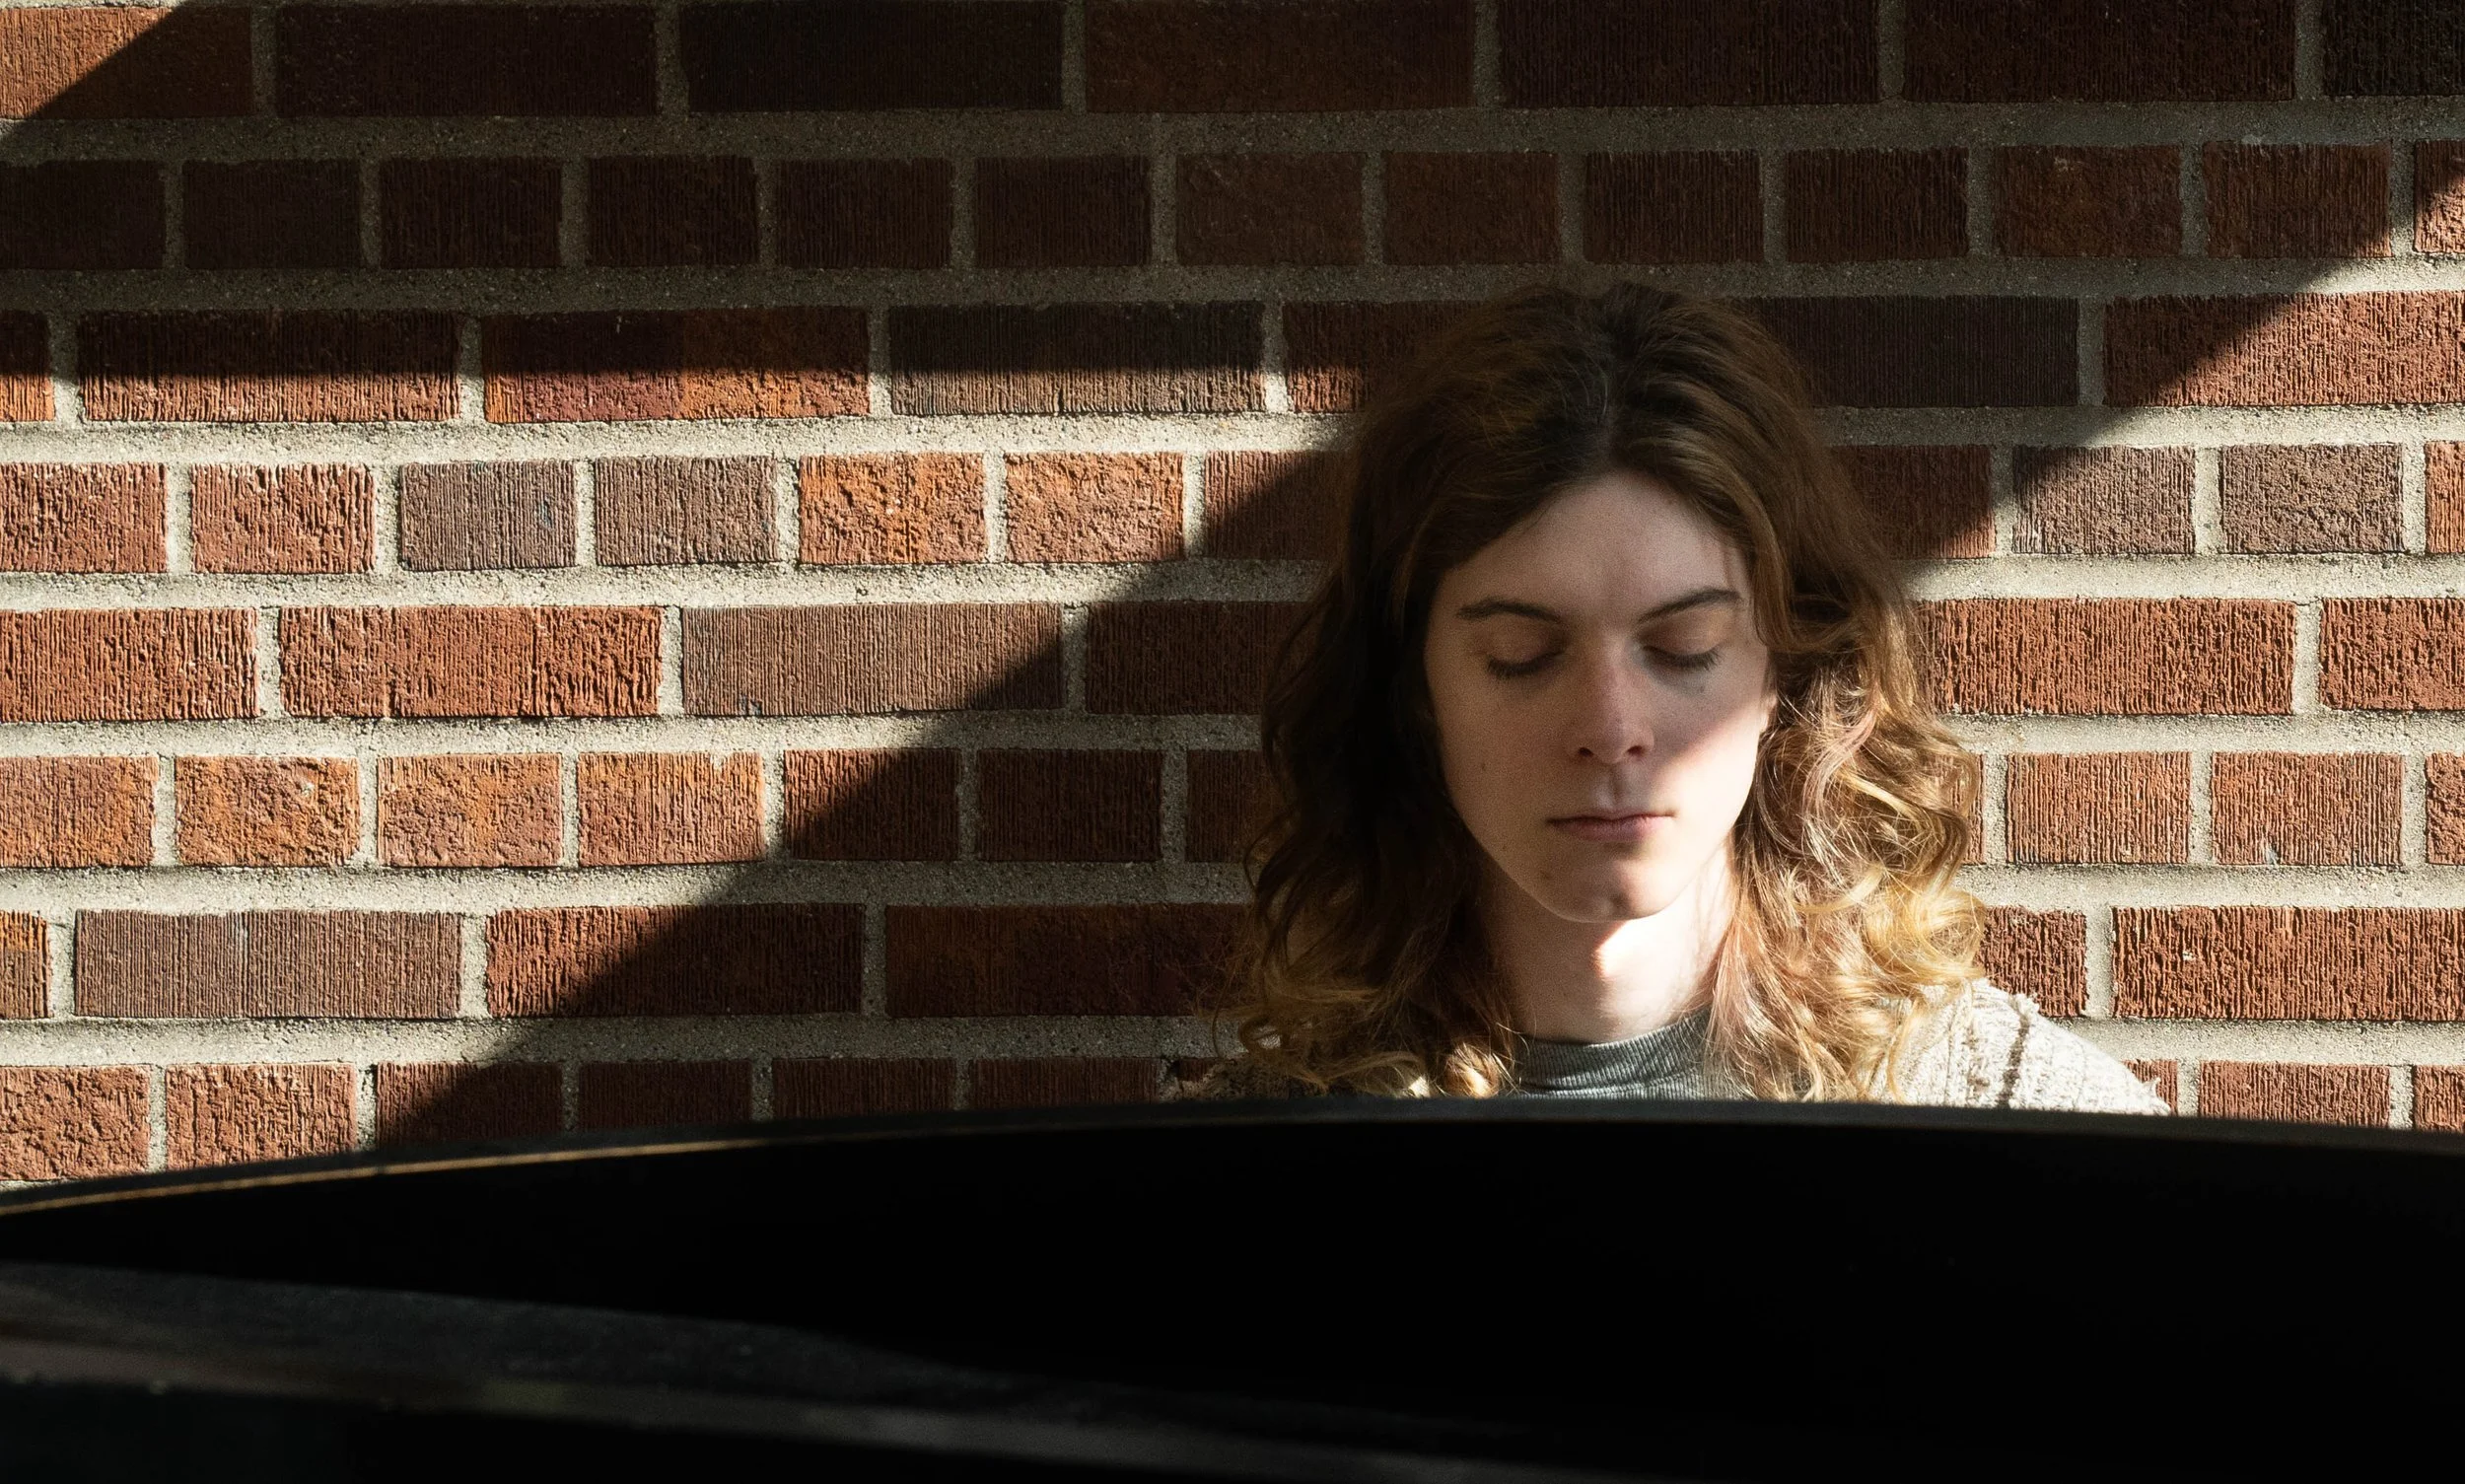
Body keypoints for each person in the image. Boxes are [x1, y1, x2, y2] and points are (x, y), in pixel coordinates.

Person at [1194, 284, 2163, 1112]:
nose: (1611, 729)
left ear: (1786, 668)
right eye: (1522, 654)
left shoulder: (2004, 1115)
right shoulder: (1257, 1159)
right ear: (1411, 688)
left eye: (1683, 647)